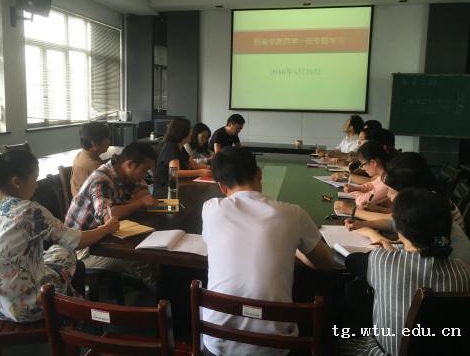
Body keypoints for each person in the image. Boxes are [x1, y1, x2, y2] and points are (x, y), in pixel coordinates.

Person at [202, 147, 333, 356]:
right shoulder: (293, 214)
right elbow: (326, 263)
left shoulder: (210, 209)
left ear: (221, 186)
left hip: (216, 343)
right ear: (259, 173)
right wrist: (295, 250)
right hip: (275, 347)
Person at [0, 150, 120, 322]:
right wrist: (106, 228)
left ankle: (75, 302)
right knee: (67, 253)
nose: (36, 186)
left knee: (53, 254)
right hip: (29, 308)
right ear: (16, 182)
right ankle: (75, 310)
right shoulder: (29, 211)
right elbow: (77, 241)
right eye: (34, 180)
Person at [341, 188, 470, 356]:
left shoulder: (382, 261)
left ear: (399, 230)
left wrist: (376, 239)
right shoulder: (467, 274)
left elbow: (351, 261)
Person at [343, 152, 470, 271]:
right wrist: (365, 225)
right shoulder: (428, 202)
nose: (388, 195)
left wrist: (373, 234)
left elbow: (415, 263)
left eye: (392, 191)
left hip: (450, 281)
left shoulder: (430, 209)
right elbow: (395, 222)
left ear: (411, 192)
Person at [65, 142, 158, 290]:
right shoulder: (101, 180)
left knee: (151, 251)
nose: (145, 175)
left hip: (104, 238)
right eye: (145, 170)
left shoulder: (124, 173)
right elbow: (109, 216)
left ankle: (164, 293)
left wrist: (127, 205)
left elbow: (144, 192)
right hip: (82, 250)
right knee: (140, 259)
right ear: (130, 164)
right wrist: (138, 203)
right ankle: (165, 299)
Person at [154, 118, 210, 194]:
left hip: (177, 186)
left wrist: (210, 168)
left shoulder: (180, 147)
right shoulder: (171, 147)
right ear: (183, 133)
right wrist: (200, 172)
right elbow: (174, 173)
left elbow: (192, 164)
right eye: (189, 131)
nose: (191, 134)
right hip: (165, 190)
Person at [335, 141, 392, 214]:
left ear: (373, 163)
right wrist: (357, 188)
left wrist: (354, 192)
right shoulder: (383, 175)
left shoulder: (387, 180)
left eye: (362, 165)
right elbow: (371, 185)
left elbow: (362, 202)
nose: (362, 168)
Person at [71, 122, 111, 196]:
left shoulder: (81, 155)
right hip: (91, 202)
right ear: (94, 144)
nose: (109, 142)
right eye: (107, 139)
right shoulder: (94, 166)